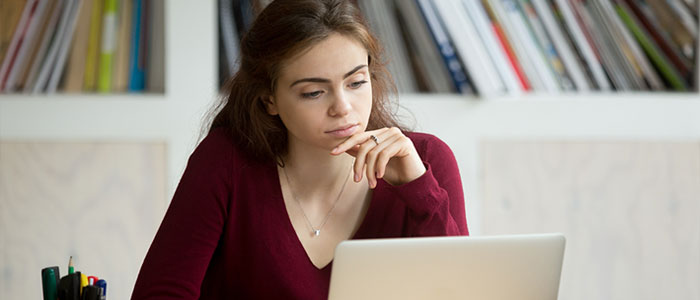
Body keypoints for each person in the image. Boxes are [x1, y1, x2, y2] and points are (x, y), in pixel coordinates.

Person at [131, 0, 468, 299]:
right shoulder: (225, 161)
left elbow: (461, 290)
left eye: (356, 82)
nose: (343, 107)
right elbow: (161, 292)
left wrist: (419, 189)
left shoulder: (425, 160)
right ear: (270, 99)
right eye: (313, 93)